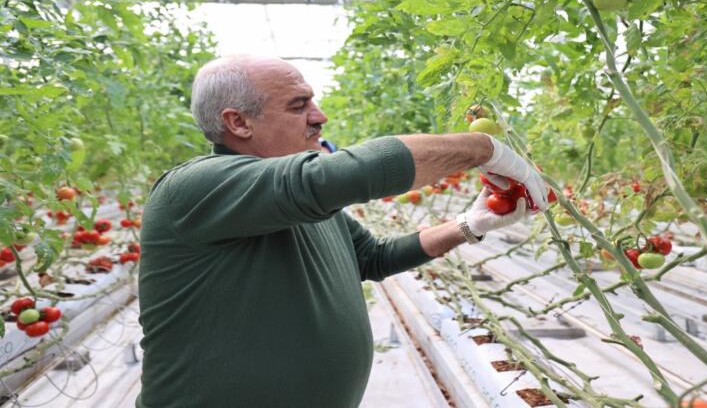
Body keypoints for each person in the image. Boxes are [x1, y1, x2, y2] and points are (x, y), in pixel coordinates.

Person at [136, 55, 548, 408]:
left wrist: (468, 225)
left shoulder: (293, 202)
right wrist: (486, 150)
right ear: (238, 122)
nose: (320, 116)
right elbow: (349, 173)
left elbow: (372, 257)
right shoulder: (195, 187)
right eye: (300, 106)